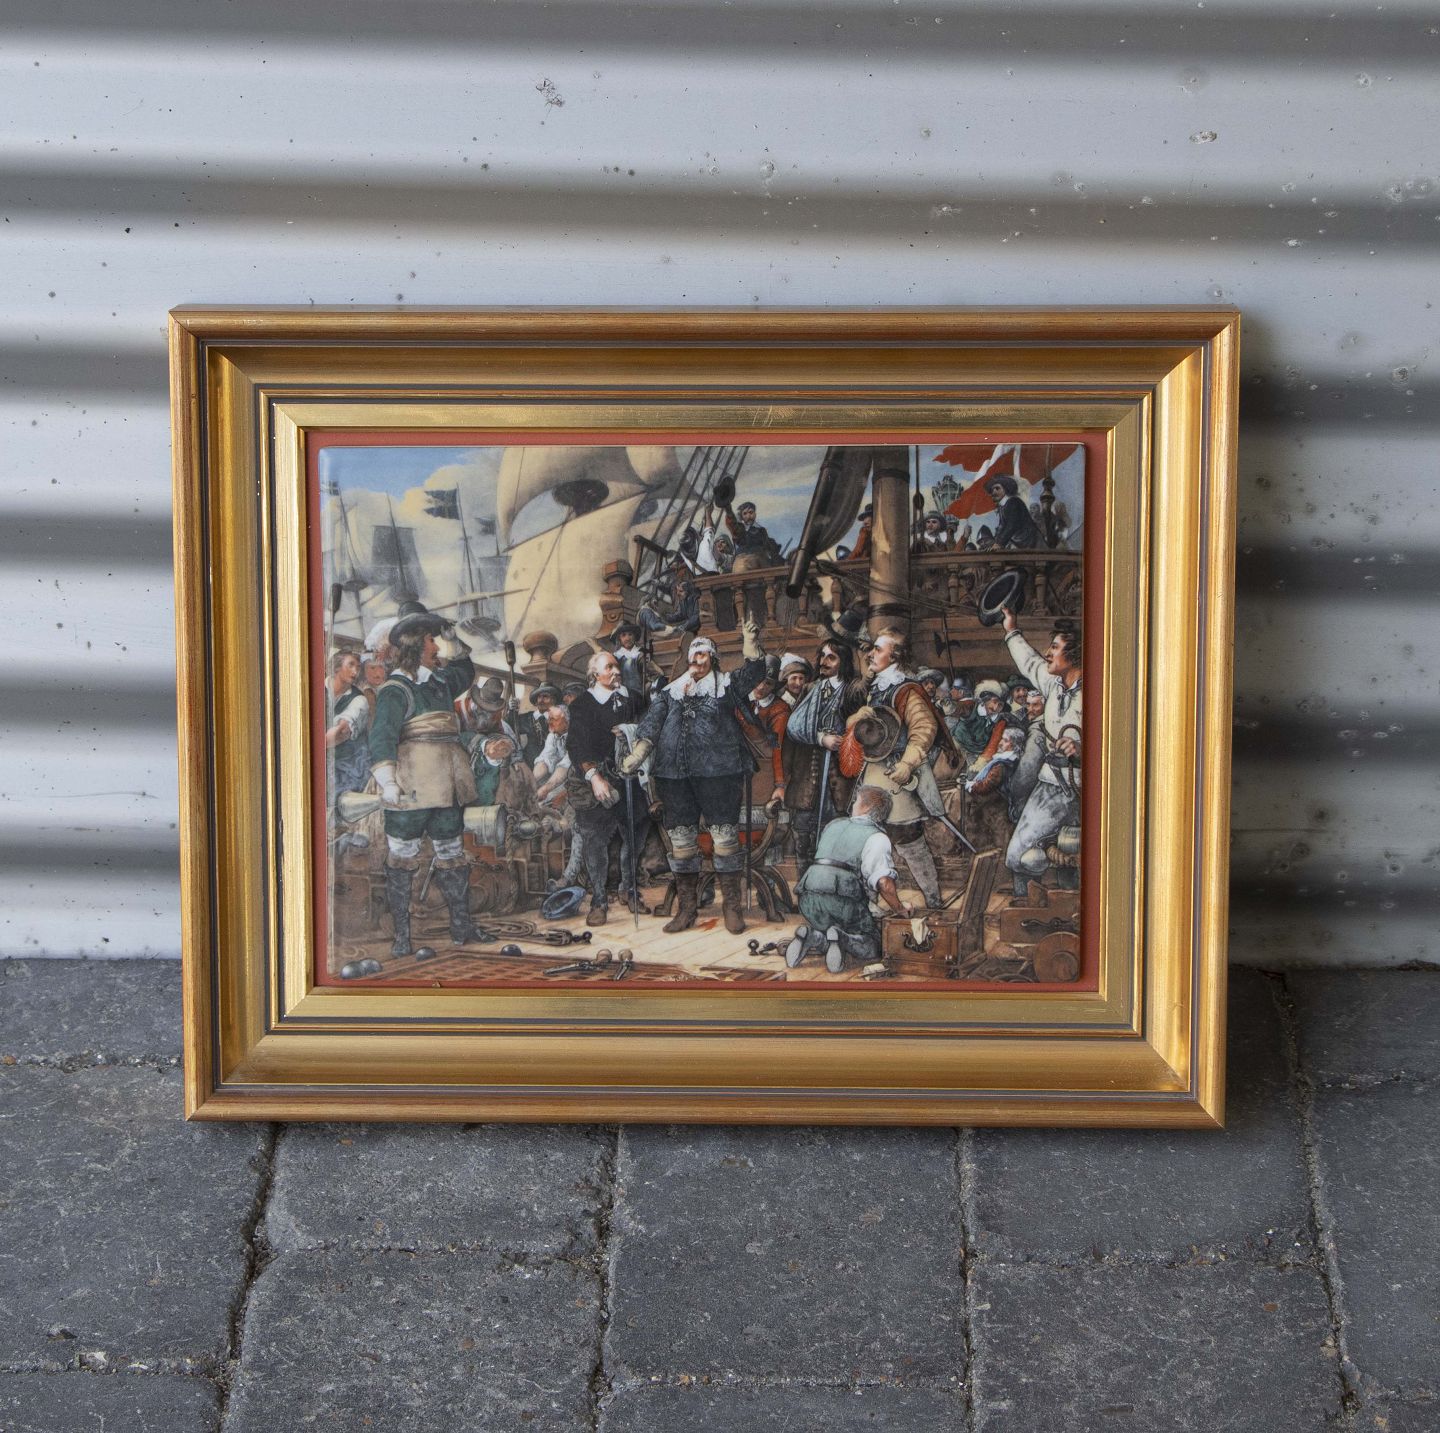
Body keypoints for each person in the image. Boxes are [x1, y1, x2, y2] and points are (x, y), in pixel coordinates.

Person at [620, 622, 767, 934]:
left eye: (703, 655)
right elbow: (652, 724)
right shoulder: (670, 692)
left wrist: (751, 644)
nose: (697, 660)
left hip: (719, 774)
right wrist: (637, 755)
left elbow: (753, 673)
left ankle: (731, 907)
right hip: (674, 776)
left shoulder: (726, 685)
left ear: (712, 659)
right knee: (682, 841)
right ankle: (686, 909)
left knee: (724, 839)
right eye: (693, 656)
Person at [369, 608, 478, 956]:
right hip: (411, 787)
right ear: (416, 646)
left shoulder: (439, 681)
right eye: (432, 640)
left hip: (447, 784)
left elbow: (465, 671)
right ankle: (402, 938)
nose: (437, 646)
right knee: (401, 858)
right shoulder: (395, 690)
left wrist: (454, 639)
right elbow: (382, 738)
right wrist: (388, 783)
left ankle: (462, 929)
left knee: (452, 853)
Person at [840, 629, 958, 909]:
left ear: (894, 657)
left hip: (898, 776)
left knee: (909, 841)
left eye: (878, 650)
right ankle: (868, 905)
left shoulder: (906, 690)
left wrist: (907, 763)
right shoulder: (876, 687)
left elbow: (924, 728)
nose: (871, 654)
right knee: (865, 838)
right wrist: (856, 719)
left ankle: (933, 900)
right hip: (872, 774)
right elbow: (862, 730)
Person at [1001, 608, 1083, 897]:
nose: (1048, 653)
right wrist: (1011, 629)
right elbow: (1029, 661)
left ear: (1075, 655)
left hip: (1089, 790)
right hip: (1052, 786)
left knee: (1080, 855)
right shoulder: (1052, 685)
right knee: (1018, 857)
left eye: (1055, 648)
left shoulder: (1100, 691)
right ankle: (1026, 905)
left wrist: (1081, 748)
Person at [787, 786, 913, 973]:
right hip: (842, 902)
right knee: (875, 944)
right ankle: (842, 938)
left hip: (808, 898)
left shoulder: (834, 825)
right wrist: (900, 909)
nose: (852, 805)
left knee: (832, 928)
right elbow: (884, 883)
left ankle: (813, 936)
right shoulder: (877, 837)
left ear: (867, 807)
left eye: (856, 801)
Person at [564, 651, 641, 925]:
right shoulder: (582, 705)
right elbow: (576, 746)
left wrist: (631, 731)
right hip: (596, 779)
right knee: (595, 841)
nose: (616, 671)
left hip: (630, 778)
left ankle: (628, 889)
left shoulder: (632, 699)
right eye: (609, 667)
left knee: (634, 836)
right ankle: (598, 900)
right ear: (595, 674)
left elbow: (648, 728)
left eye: (617, 666)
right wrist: (594, 777)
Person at [324, 650, 371, 800]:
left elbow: (340, 733)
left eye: (358, 667)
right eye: (350, 665)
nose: (355, 671)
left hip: (347, 763)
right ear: (337, 667)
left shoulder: (359, 700)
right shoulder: (315, 687)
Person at [722, 498, 782, 568]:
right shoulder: (740, 528)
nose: (748, 516)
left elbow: (768, 545)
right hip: (743, 561)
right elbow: (732, 524)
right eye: (745, 513)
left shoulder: (762, 530)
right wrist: (728, 509)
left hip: (761, 560)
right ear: (741, 517)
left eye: (751, 512)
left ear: (755, 514)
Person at [986, 474, 1041, 550]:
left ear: (1005, 489)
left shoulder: (1013, 502)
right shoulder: (1002, 507)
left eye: (997, 488)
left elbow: (1011, 525)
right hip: (1019, 542)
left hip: (1030, 541)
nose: (994, 492)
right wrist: (995, 543)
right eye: (992, 490)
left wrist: (999, 543)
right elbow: (1001, 527)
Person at [516, 683, 561, 766]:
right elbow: (511, 726)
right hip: (528, 762)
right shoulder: (527, 717)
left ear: (554, 700)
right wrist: (512, 711)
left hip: (552, 763)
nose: (541, 700)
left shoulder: (560, 719)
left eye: (545, 697)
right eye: (539, 697)